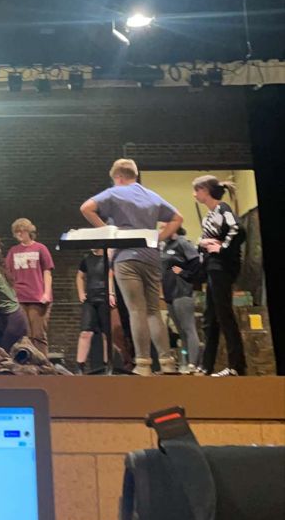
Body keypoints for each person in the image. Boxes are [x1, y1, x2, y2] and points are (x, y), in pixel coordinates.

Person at [80, 159, 182, 376]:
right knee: (154, 310)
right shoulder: (151, 195)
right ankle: (166, 361)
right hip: (152, 257)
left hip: (127, 257)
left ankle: (143, 363)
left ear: (118, 177)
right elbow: (177, 217)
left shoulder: (114, 193)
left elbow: (86, 208)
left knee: (136, 310)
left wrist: (108, 230)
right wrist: (158, 237)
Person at [191, 175, 246, 377]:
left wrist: (221, 248)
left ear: (205, 190)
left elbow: (237, 229)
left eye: (197, 190)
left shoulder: (222, 209)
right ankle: (206, 365)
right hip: (213, 268)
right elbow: (206, 241)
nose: (195, 195)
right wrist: (202, 243)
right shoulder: (209, 216)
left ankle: (236, 366)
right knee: (210, 317)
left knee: (224, 315)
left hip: (222, 267)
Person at [5, 218, 54, 356]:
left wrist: (46, 293)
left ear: (29, 231)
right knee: (22, 335)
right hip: (19, 297)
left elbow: (47, 272)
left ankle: (42, 367)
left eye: (22, 231)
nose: (20, 234)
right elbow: (7, 274)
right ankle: (25, 368)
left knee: (38, 335)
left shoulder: (40, 248)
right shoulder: (13, 251)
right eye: (17, 232)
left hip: (37, 297)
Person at [160, 226, 202, 371]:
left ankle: (194, 363)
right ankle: (185, 361)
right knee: (180, 330)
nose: (161, 230)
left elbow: (197, 263)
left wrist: (184, 273)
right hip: (169, 293)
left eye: (164, 227)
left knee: (188, 327)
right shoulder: (165, 246)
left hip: (182, 291)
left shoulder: (183, 243)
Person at [75, 249, 114, 373]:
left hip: (105, 298)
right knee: (85, 332)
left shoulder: (109, 258)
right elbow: (80, 276)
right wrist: (81, 292)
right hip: (91, 299)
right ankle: (79, 367)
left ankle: (107, 366)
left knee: (106, 334)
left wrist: (111, 293)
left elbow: (111, 275)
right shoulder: (87, 259)